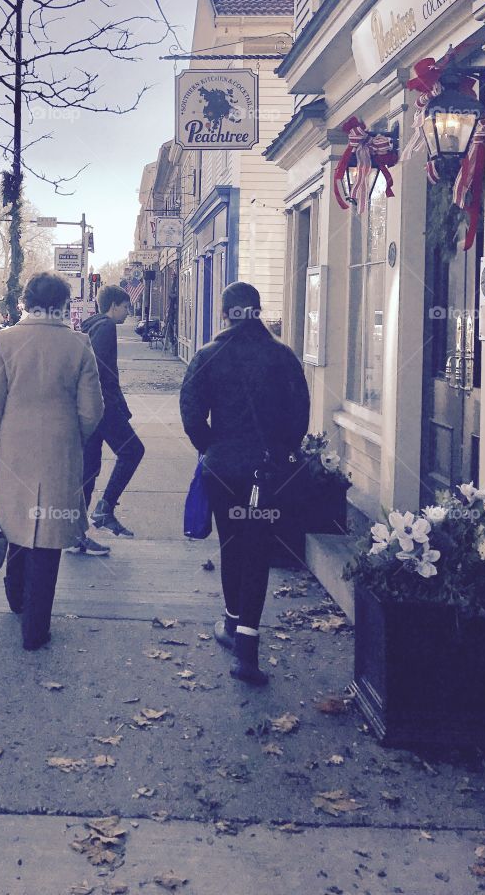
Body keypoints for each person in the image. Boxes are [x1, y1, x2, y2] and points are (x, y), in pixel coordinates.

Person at [179, 281, 310, 686]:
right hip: (266, 472)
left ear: (224, 313)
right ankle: (248, 648)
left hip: (223, 470)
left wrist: (210, 447)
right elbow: (299, 414)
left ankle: (232, 623)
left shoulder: (208, 355)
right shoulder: (282, 357)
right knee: (259, 549)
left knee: (231, 544)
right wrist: (283, 449)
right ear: (257, 311)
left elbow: (190, 411)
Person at [0, 272, 104, 650]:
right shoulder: (78, 345)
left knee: (18, 524)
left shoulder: (6, 341)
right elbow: (93, 409)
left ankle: (15, 597)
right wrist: (74, 435)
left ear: (26, 302)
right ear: (64, 306)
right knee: (49, 538)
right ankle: (36, 627)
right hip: (60, 450)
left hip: (14, 449)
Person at [75, 284, 146, 545]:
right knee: (133, 451)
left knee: (89, 468)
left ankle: (76, 532)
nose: (128, 312)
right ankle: (104, 510)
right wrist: (115, 407)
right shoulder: (105, 327)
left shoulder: (90, 325)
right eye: (126, 307)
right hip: (103, 407)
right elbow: (100, 370)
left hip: (91, 407)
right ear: (113, 306)